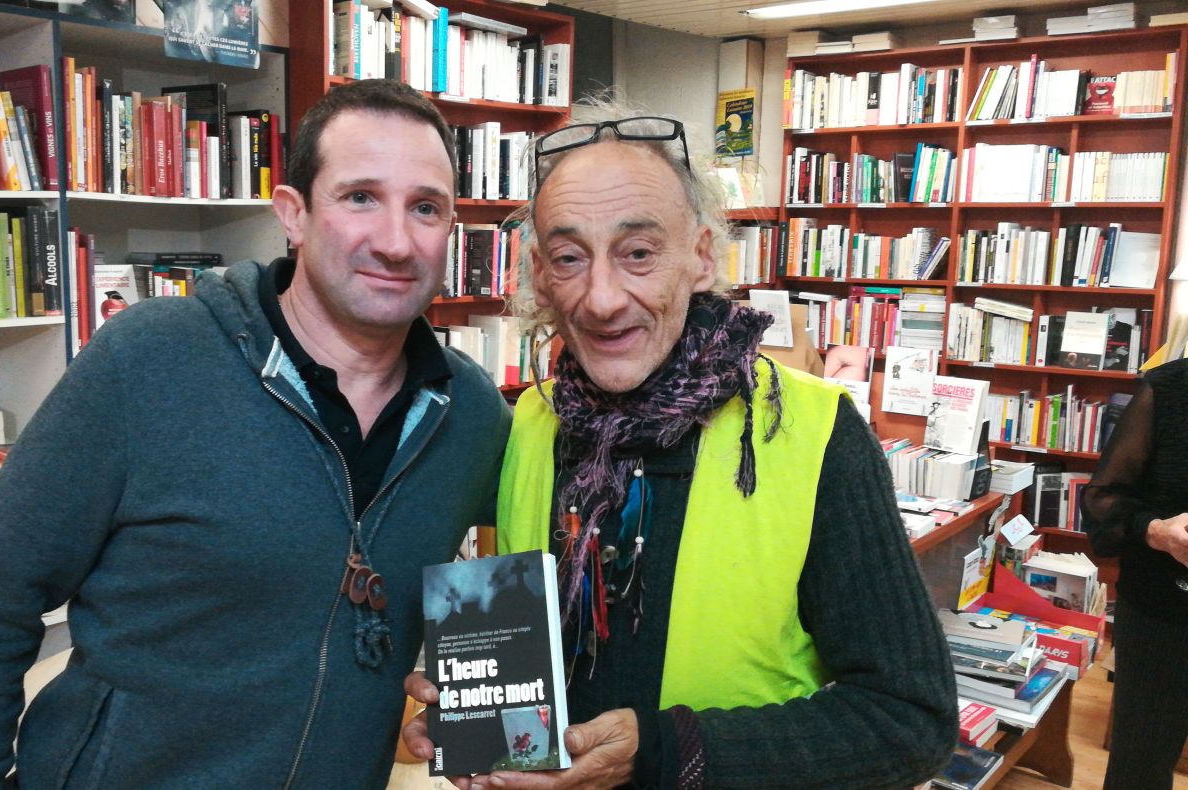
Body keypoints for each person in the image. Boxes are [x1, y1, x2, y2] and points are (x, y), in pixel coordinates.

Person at [0, 79, 511, 788]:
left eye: (426, 208)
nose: (396, 241)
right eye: (360, 197)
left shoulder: (471, 415)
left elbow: (525, 575)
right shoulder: (148, 360)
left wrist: (478, 709)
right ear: (294, 214)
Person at [404, 104, 958, 788]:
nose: (602, 299)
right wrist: (472, 715)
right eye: (570, 258)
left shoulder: (815, 433)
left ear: (701, 257)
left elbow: (910, 720)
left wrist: (667, 753)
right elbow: (519, 657)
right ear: (541, 275)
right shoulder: (527, 426)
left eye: (638, 253)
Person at [1082, 356, 1188, 790]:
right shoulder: (1169, 389)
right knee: (1140, 764)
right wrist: (1157, 531)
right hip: (1163, 612)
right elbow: (1101, 501)